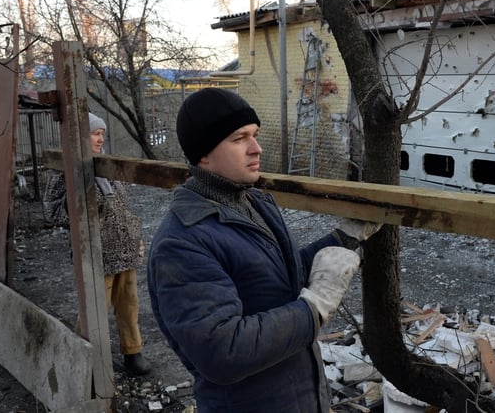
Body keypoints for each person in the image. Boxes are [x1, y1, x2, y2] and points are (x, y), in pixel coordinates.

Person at [147, 87, 382, 412]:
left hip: (298, 397)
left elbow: (282, 277)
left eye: (255, 135)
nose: (256, 148)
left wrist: (344, 238)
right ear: (204, 153)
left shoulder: (253, 202)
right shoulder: (183, 243)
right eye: (239, 138)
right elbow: (223, 352)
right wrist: (313, 308)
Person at [43, 112, 150, 375]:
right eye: (95, 134)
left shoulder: (107, 166)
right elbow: (53, 212)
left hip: (123, 249)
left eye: (102, 134)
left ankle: (133, 352)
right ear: (79, 137)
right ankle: (87, 360)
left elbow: (123, 207)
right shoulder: (65, 170)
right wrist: (83, 194)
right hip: (96, 253)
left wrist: (134, 237)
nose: (101, 139)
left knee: (128, 304)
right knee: (94, 309)